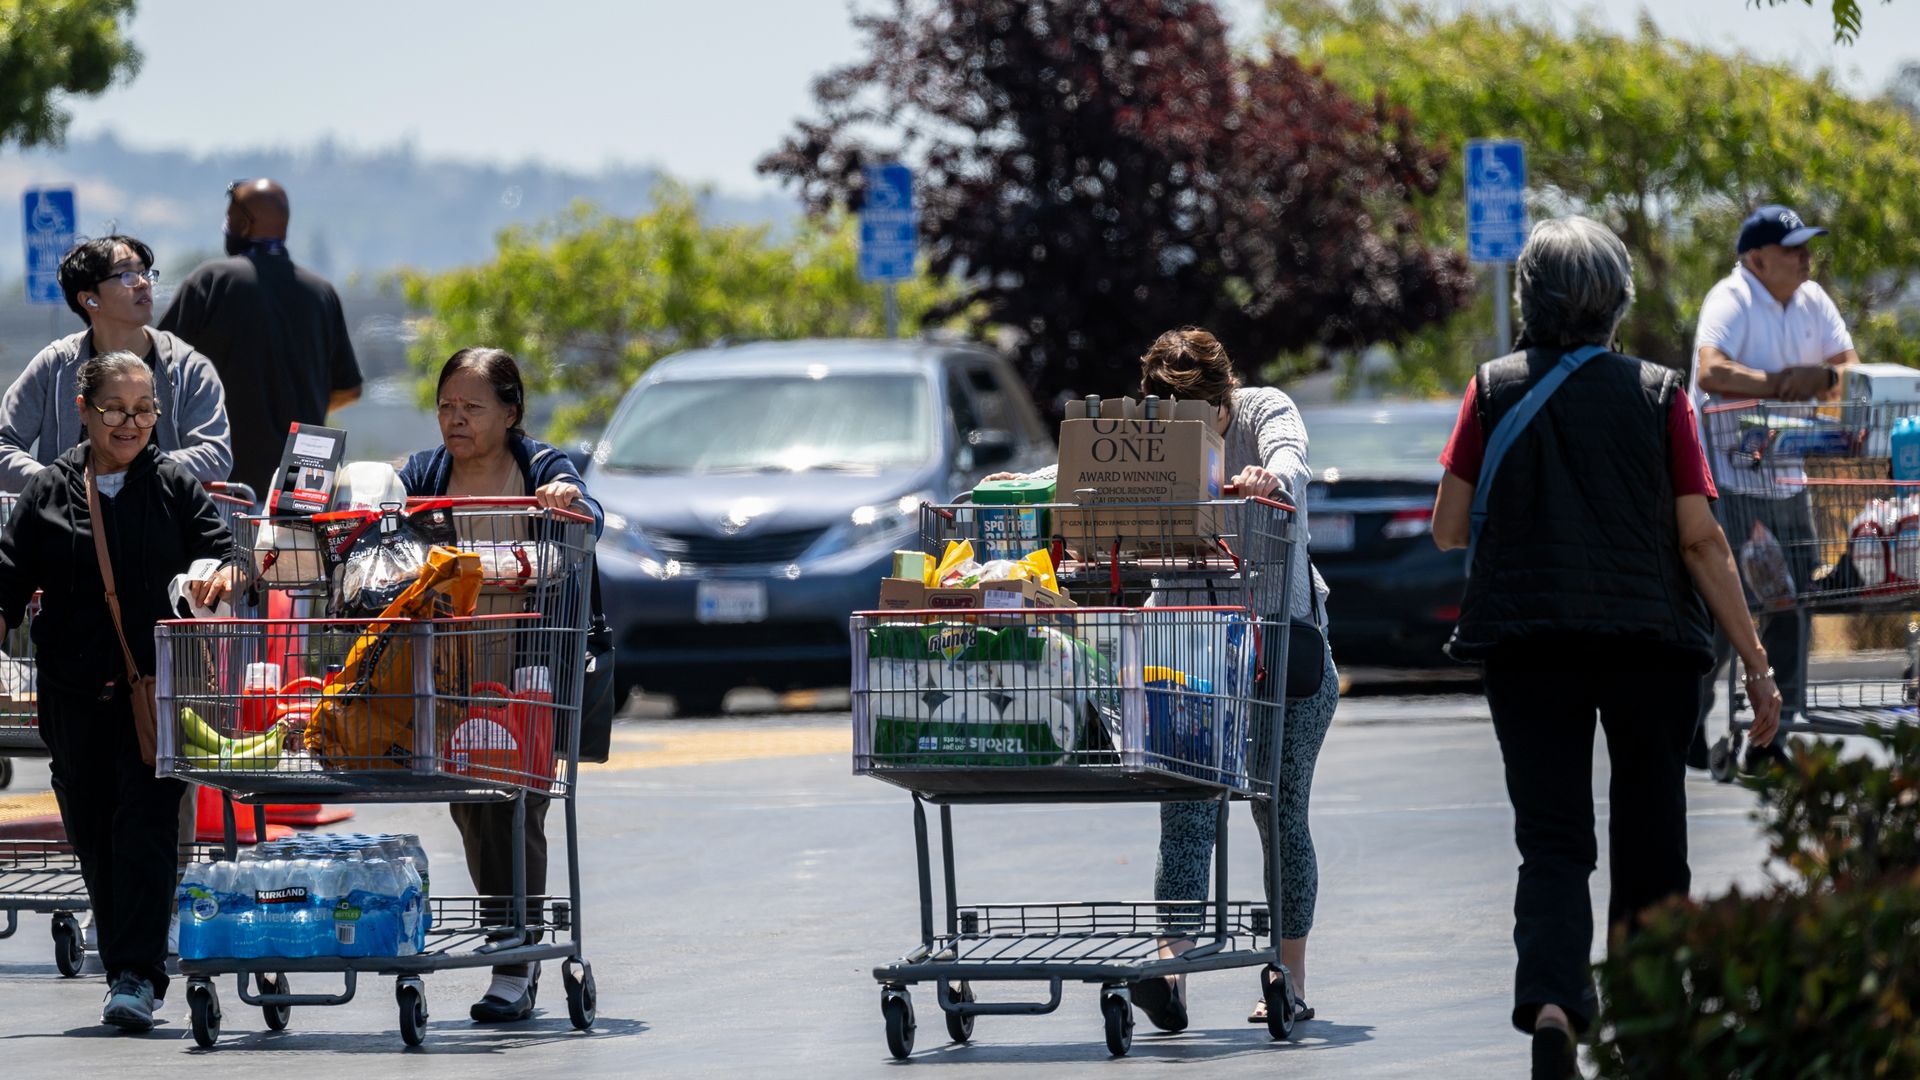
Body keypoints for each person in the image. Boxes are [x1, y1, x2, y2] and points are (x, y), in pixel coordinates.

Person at [1430, 216, 1783, 1080]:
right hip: (1649, 645)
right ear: (1617, 302)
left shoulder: (1490, 389)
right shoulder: (1661, 394)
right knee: (1653, 833)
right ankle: (1651, 1021)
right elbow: (1700, 540)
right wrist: (1758, 665)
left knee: (1553, 842)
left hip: (1529, 643)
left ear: (1529, 300)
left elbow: (1445, 527)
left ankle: (1554, 1005)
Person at [984, 327, 1339, 1032]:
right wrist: (1026, 489)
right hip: (1186, 648)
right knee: (1185, 812)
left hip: (1278, 652)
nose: (1182, 428)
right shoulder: (1148, 439)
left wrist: (1271, 479)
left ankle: (1288, 980)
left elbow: (1292, 460)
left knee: (1279, 810)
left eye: (1196, 413)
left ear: (1223, 398)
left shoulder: (1266, 411)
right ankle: (1169, 973)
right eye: (1166, 411)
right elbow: (1096, 491)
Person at [0, 351, 238, 1032]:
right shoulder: (50, 490)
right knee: (94, 831)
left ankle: (136, 973)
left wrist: (220, 575)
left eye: (143, 410)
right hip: (72, 694)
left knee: (146, 823)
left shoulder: (171, 484)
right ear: (83, 410)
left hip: (157, 691)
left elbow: (224, 551)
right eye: (116, 409)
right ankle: (126, 960)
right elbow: (8, 579)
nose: (131, 423)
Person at [397, 347, 602, 1023]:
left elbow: (586, 516)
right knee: (469, 807)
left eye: (472, 407)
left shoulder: (540, 467)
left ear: (509, 412)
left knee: (519, 806)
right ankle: (503, 931)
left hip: (523, 669)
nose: (456, 420)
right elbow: (389, 538)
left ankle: (515, 960)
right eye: (446, 406)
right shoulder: (427, 473)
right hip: (447, 671)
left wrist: (568, 502)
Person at [1689, 204, 1858, 769]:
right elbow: (1710, 369)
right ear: (1756, 259)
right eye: (1793, 249)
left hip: (1787, 480)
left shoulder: (1812, 301)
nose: (1806, 257)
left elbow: (1849, 367)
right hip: (1730, 482)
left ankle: (1772, 738)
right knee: (1719, 613)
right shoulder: (1731, 298)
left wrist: (1826, 377)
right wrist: (1777, 386)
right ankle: (1690, 724)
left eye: (1807, 246)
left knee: (1791, 609)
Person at [158, 179, 363, 496]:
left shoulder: (211, 281)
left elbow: (156, 367)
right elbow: (349, 389)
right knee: (297, 546)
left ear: (243, 223)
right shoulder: (322, 293)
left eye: (230, 218)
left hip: (224, 482)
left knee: (231, 547)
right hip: (305, 481)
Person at [0, 235, 232, 489]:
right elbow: (4, 445)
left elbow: (215, 455)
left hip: (163, 525)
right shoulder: (55, 365)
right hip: (70, 525)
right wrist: (56, 482)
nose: (143, 283)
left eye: (145, 273)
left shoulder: (187, 367)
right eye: (126, 275)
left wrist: (132, 467)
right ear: (90, 300)